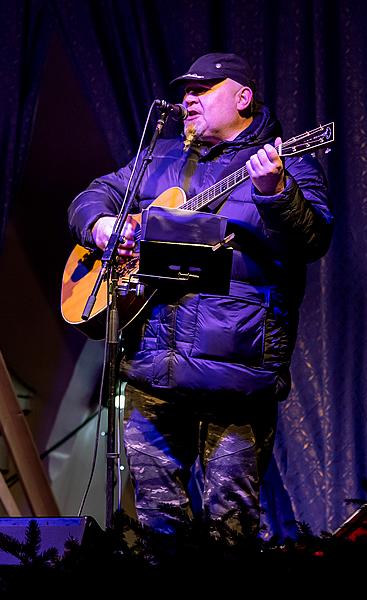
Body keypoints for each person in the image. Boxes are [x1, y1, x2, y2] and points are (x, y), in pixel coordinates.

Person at [68, 53, 333, 536]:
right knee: (155, 523)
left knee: (229, 524)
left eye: (203, 89)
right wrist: (101, 225)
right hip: (152, 367)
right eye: (185, 91)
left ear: (243, 97)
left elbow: (313, 239)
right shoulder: (159, 156)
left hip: (235, 371)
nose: (187, 99)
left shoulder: (289, 160)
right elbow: (92, 195)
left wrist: (275, 192)